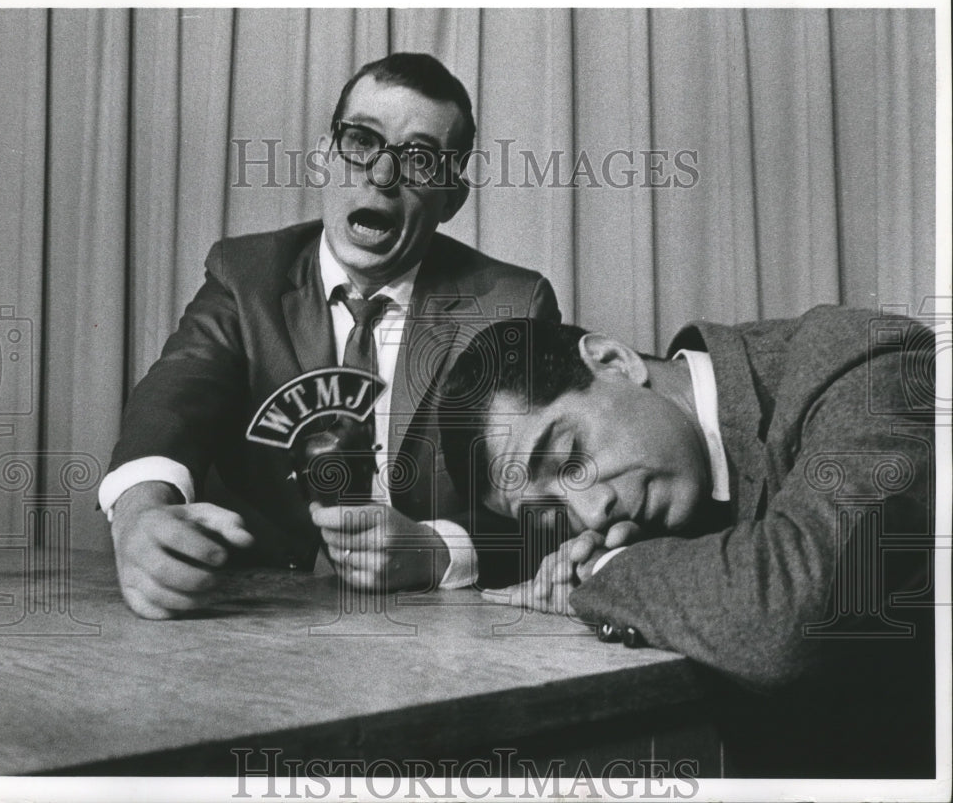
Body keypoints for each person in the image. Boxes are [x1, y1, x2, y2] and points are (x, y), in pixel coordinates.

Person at [100, 53, 561, 620]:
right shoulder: (245, 276)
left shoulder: (511, 305)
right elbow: (175, 398)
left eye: (419, 160)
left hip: (439, 624)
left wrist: (434, 549)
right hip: (263, 613)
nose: (381, 177)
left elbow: (548, 502)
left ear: (451, 198)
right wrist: (139, 511)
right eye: (362, 141)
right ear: (323, 159)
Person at [438, 307, 936, 777]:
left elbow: (794, 612)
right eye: (551, 515)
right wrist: (432, 548)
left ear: (614, 361)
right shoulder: (643, 489)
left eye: (572, 459)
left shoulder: (863, 361)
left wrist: (606, 568)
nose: (591, 512)